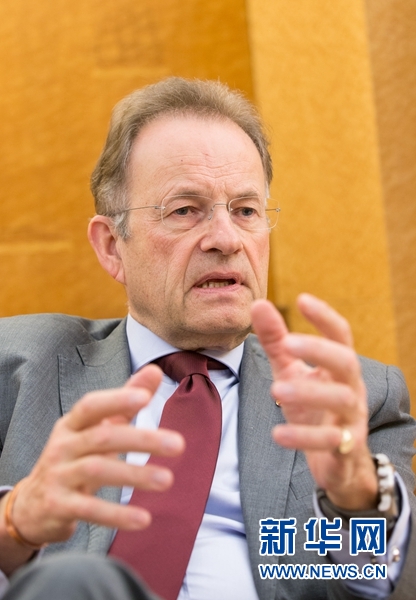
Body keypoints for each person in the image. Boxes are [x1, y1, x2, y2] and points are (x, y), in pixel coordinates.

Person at [0, 77, 415, 600]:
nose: (226, 239)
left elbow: (392, 588)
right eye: (184, 210)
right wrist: (13, 526)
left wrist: (355, 501)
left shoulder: (352, 403)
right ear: (111, 246)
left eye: (246, 211)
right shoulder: (18, 365)